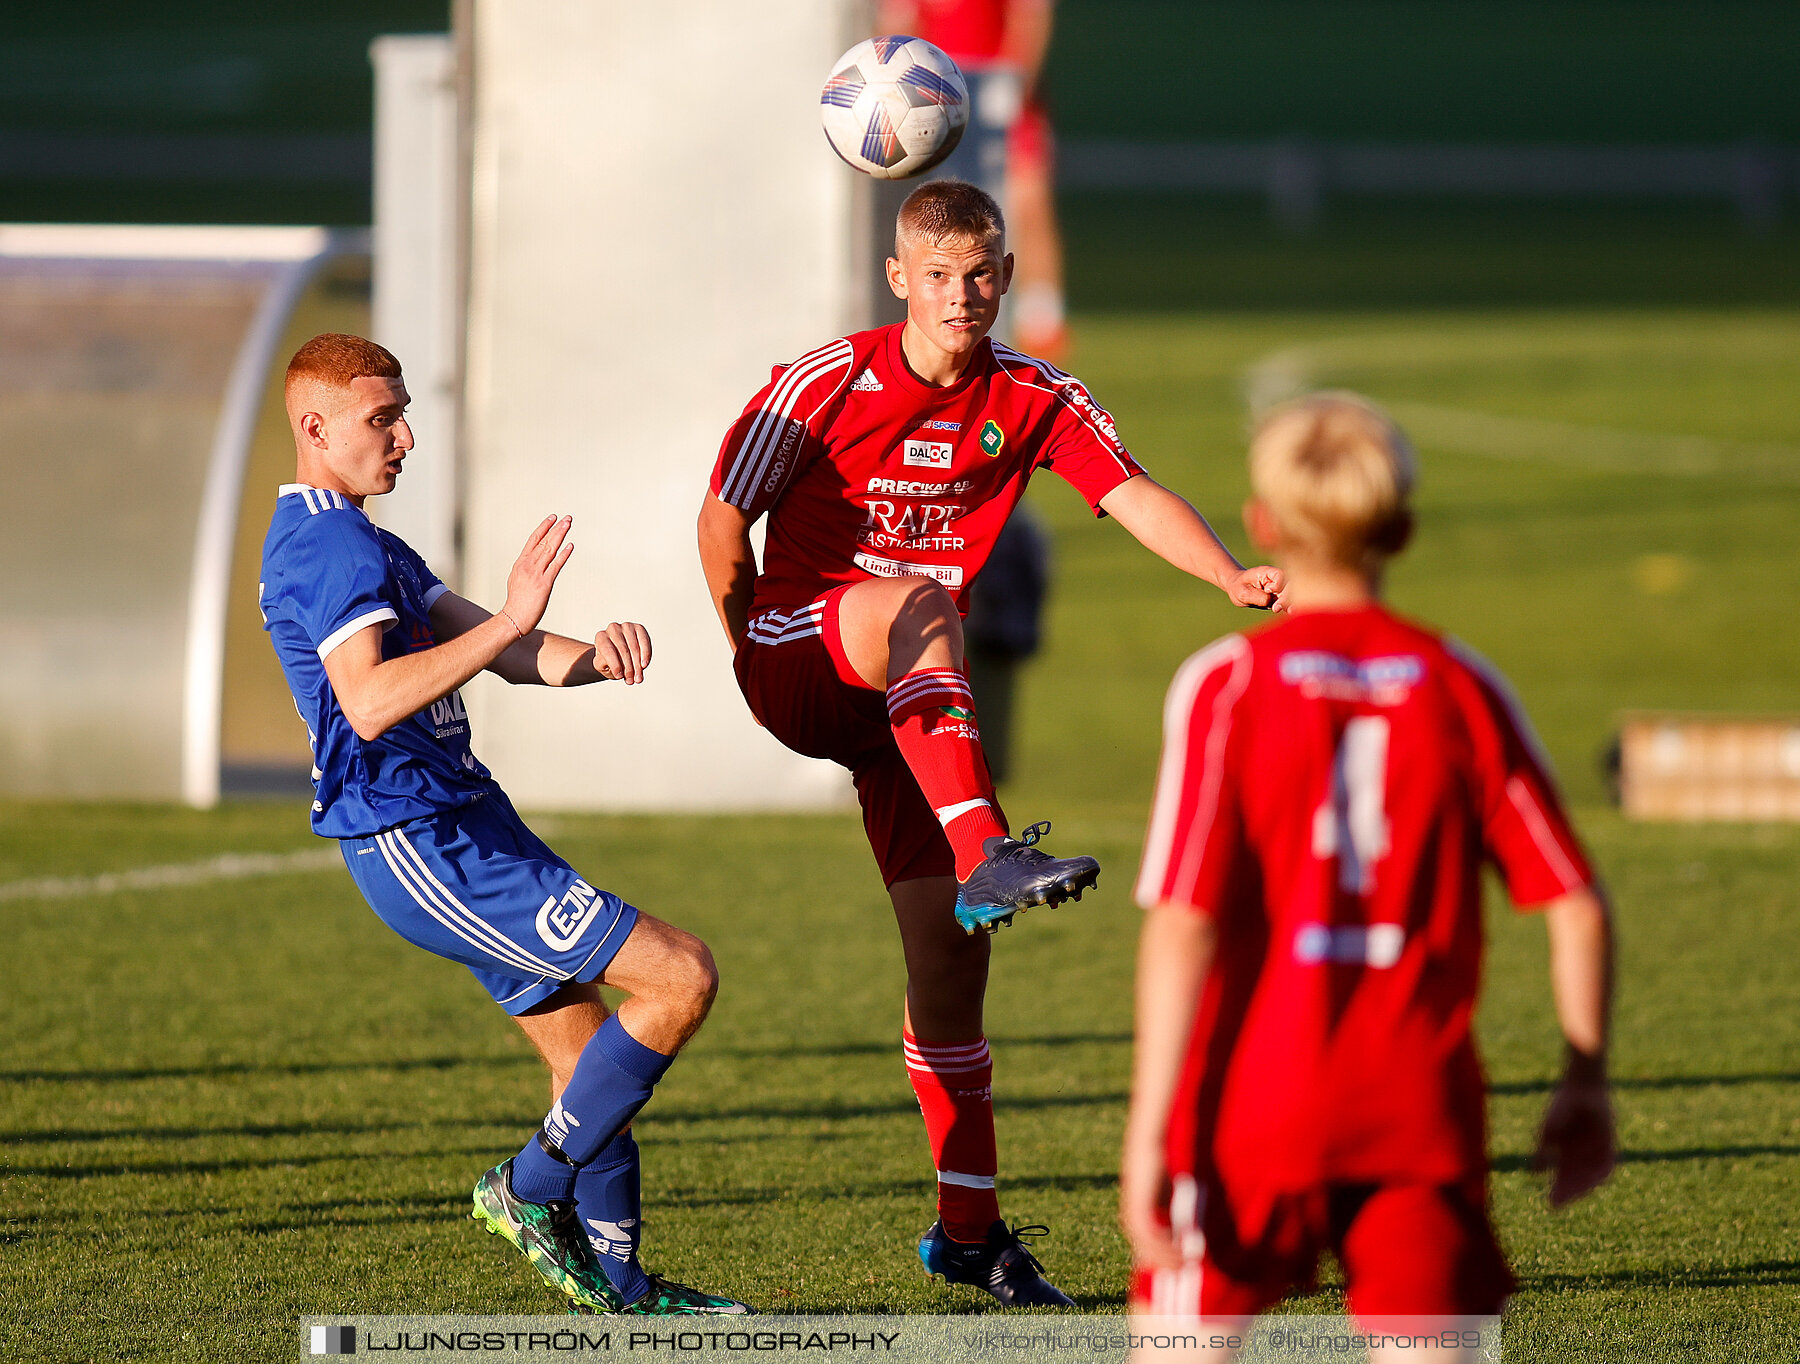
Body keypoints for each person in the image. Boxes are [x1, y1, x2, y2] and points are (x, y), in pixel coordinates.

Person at [696, 181, 1282, 1306]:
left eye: (981, 274)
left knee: (952, 972)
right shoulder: (828, 380)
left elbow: (1132, 489)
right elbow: (725, 513)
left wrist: (1227, 574)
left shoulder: (1035, 394)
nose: (961, 295)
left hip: (912, 711)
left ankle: (970, 1231)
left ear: (1004, 276)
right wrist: (748, 653)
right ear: (898, 280)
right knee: (921, 598)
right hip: (805, 646)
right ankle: (987, 846)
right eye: (939, 275)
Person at [260, 333, 749, 1317]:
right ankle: (525, 1190)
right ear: (315, 429)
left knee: (592, 1065)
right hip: (425, 838)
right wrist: (506, 624)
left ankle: (628, 1298)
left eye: (403, 412)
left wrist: (594, 654)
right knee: (679, 974)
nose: (404, 436)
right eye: (379, 419)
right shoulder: (329, 542)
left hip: (468, 821)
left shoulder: (371, 540)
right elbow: (367, 699)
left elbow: (505, 647)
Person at [1121, 395, 1615, 1359]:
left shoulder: (1227, 686)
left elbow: (1184, 922)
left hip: (1245, 1110)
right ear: (1401, 529)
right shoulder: (1459, 685)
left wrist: (1146, 1129)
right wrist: (1585, 1080)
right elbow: (1574, 903)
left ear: (1261, 526)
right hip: (1416, 1110)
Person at [878, 0, 1069, 358]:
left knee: (1028, 198)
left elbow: (1031, 17)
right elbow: (897, 24)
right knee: (937, 212)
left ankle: (1043, 320)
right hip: (932, 98)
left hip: (998, 85)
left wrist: (1017, 80)